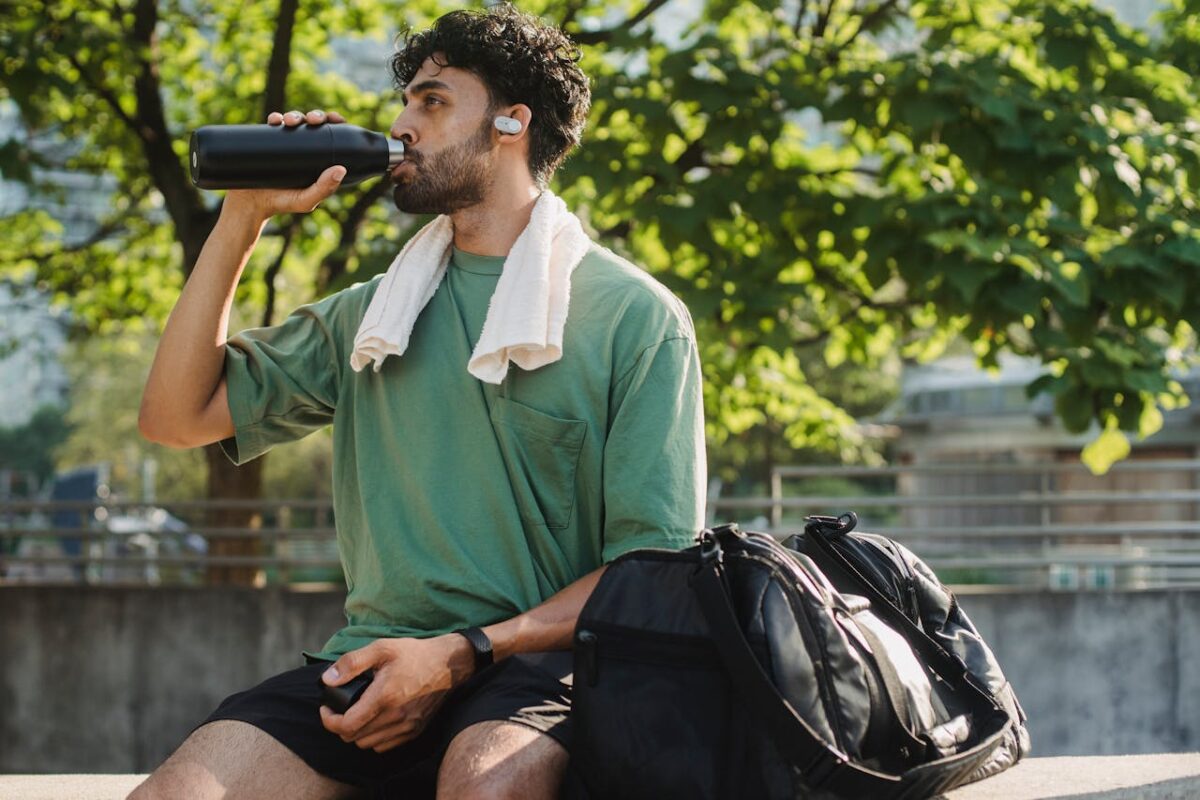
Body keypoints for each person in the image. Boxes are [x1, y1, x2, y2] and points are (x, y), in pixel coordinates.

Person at [132, 5, 705, 799]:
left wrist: (463, 651)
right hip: (374, 659)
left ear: (513, 122)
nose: (401, 126)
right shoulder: (372, 315)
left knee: (486, 787)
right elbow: (173, 417)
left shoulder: (634, 318)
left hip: (543, 670)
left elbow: (653, 578)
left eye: (432, 102)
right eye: (404, 102)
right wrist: (243, 216)